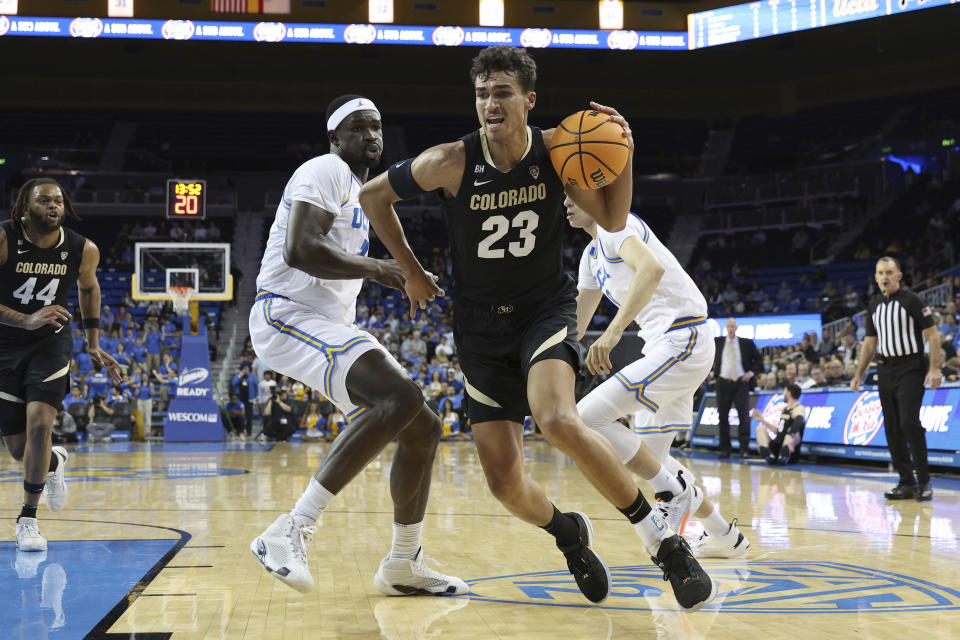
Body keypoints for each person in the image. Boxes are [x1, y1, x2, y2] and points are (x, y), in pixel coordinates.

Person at [359, 46, 715, 611]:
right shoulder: (451, 160)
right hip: (479, 331)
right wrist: (409, 272)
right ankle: (569, 533)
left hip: (543, 314)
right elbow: (372, 195)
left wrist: (624, 151)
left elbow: (614, 219)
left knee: (557, 418)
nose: (489, 103)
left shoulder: (556, 151)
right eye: (481, 93)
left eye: (501, 92)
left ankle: (664, 544)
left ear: (528, 100)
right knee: (504, 484)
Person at [248, 94, 466, 596]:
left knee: (423, 429)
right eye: (359, 127)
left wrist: (401, 275)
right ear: (334, 137)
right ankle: (290, 530)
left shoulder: (361, 189)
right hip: (284, 312)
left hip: (325, 323)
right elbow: (300, 248)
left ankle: (403, 563)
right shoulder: (323, 168)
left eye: (378, 127)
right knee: (401, 397)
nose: (372, 136)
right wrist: (381, 269)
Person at [567, 198, 749, 560]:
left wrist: (614, 331)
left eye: (574, 193)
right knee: (654, 463)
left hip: (683, 337)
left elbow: (650, 270)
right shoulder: (591, 255)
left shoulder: (614, 228)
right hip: (664, 345)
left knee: (587, 417)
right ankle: (723, 535)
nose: (567, 202)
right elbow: (576, 320)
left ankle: (672, 495)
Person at [0, 178, 121, 551]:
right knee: (20, 449)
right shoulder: (4, 240)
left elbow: (89, 288)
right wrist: (25, 319)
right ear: (23, 207)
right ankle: (53, 462)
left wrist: (94, 342)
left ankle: (28, 519)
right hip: (5, 343)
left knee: (40, 423)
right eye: (44, 200)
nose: (53, 206)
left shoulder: (82, 249)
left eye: (58, 201)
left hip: (51, 343)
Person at [852, 257, 941, 502]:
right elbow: (869, 343)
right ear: (875, 277)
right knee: (892, 427)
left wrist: (934, 369)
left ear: (899, 276)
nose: (885, 277)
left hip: (912, 368)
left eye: (890, 272)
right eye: (880, 273)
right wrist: (859, 374)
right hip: (885, 370)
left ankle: (924, 480)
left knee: (909, 423)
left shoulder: (913, 300)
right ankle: (906, 482)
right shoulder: (873, 306)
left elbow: (933, 336)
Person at [711, 317, 763, 458]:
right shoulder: (718, 342)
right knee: (723, 417)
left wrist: (751, 373)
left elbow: (759, 360)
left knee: (743, 418)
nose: (731, 329)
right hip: (722, 383)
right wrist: (710, 372)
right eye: (728, 326)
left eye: (733, 326)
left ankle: (744, 449)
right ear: (726, 328)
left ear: (736, 327)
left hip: (741, 383)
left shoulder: (746, 343)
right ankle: (725, 449)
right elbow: (707, 356)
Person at [752, 383, 805, 465]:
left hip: (790, 447)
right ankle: (767, 453)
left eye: (784, 391)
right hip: (777, 445)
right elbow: (779, 431)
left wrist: (790, 432)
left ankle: (785, 454)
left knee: (791, 435)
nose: (783, 394)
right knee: (760, 429)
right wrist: (762, 420)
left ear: (789, 393)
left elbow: (799, 420)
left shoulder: (798, 407)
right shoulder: (784, 409)